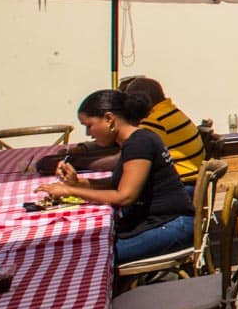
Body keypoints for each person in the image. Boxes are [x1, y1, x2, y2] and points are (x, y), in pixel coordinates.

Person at [38, 88, 194, 264]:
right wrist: (77, 183)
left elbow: (124, 196)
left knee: (93, 256)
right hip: (162, 221)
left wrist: (70, 190)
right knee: (89, 246)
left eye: (89, 125)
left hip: (173, 225)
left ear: (109, 119)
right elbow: (117, 184)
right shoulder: (135, 140)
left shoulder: (139, 144)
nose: (89, 134)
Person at [120, 76, 204, 185]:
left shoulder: (155, 121)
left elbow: (133, 152)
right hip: (192, 179)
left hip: (181, 185)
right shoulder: (171, 111)